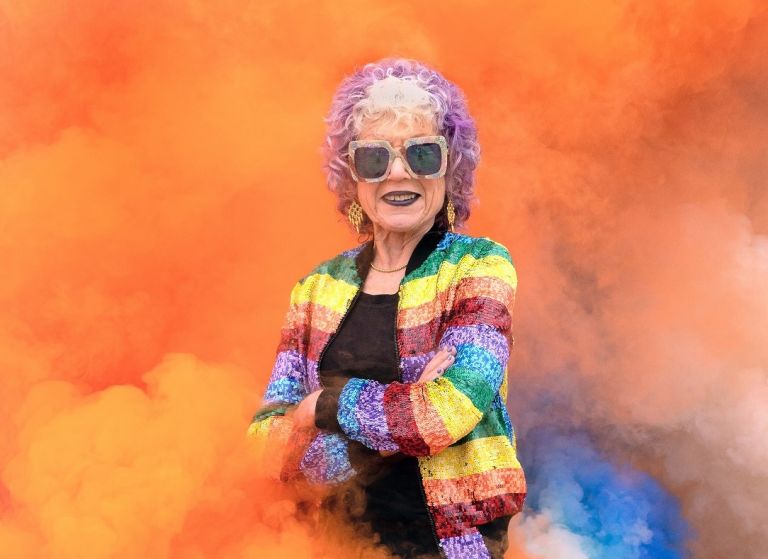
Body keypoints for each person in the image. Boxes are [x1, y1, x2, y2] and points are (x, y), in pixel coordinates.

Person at [248, 58, 526, 559]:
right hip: (329, 545)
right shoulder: (315, 288)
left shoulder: (479, 267)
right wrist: (401, 408)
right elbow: (264, 446)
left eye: (421, 153)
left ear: (450, 166)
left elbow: (446, 414)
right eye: (375, 158)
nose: (398, 171)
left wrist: (322, 409)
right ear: (351, 176)